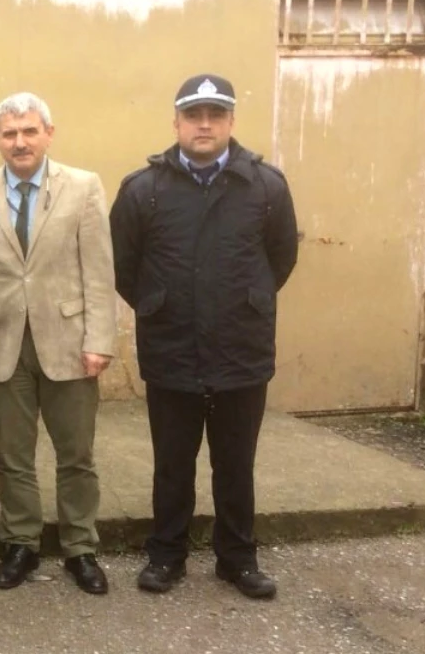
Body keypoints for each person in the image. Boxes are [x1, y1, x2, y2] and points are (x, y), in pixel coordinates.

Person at [109, 74, 298, 600]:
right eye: (195, 115)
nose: (205, 124)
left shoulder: (265, 187)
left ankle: (237, 559)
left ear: (232, 122)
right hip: (172, 350)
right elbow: (125, 270)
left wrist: (243, 304)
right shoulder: (143, 191)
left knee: (235, 463)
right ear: (176, 123)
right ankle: (166, 555)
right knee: (173, 462)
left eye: (216, 115)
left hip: (242, 351)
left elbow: (279, 261)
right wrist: (163, 309)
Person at [0, 92, 117, 595]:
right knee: (13, 454)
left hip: (69, 342)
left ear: (49, 133)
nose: (20, 141)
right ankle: (21, 542)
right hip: (2, 342)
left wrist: (100, 339)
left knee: (76, 454)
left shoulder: (83, 187)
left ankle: (80, 546)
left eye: (29, 131)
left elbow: (98, 269)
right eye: (9, 133)